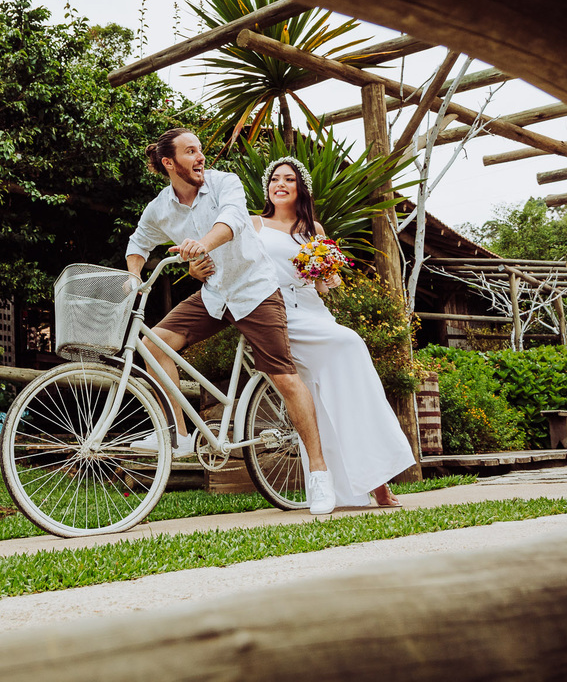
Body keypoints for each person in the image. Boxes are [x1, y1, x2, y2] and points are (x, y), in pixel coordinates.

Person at [125, 128, 337, 515]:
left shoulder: (226, 183)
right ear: (169, 163)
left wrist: (201, 246)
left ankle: (319, 473)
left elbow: (233, 220)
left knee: (285, 378)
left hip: (254, 290)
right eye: (191, 152)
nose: (200, 157)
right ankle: (182, 436)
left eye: (201, 149)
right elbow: (138, 242)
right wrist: (134, 277)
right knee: (153, 344)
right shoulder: (160, 207)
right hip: (214, 294)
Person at [190, 156, 415, 507]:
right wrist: (199, 269)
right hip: (269, 312)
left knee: (349, 374)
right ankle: (350, 482)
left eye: (289, 180)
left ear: (300, 189)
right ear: (267, 188)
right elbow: (221, 265)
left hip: (314, 314)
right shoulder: (251, 225)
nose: (280, 184)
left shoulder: (315, 231)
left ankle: (378, 480)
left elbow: (325, 287)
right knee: (322, 382)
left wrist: (328, 272)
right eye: (275, 179)